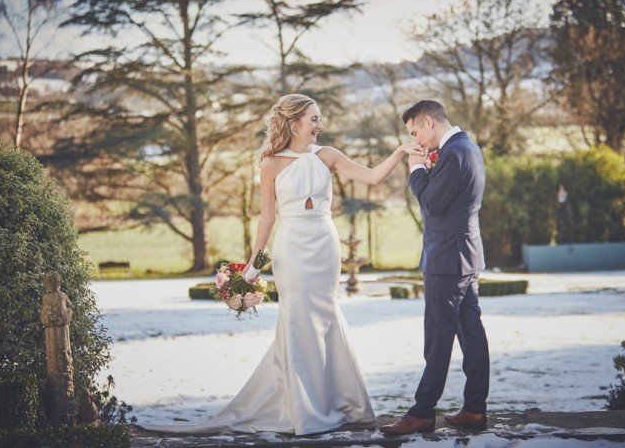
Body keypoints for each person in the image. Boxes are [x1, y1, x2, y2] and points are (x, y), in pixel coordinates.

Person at [140, 93, 421, 435]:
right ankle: (304, 408)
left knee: (327, 315)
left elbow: (374, 177)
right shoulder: (270, 163)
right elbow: (267, 218)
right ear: (294, 123)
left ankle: (341, 402)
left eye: (320, 118)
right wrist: (252, 269)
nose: (321, 124)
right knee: (298, 318)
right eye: (315, 118)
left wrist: (401, 152)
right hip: (292, 248)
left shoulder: (328, 155)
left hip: (324, 244)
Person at [381, 99, 490, 435]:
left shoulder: (455, 154)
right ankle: (474, 408)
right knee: (471, 333)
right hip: (464, 256)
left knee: (438, 336)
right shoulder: (467, 147)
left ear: (429, 121)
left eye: (416, 131)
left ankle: (423, 411)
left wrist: (415, 169)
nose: (418, 140)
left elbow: (431, 204)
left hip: (447, 258)